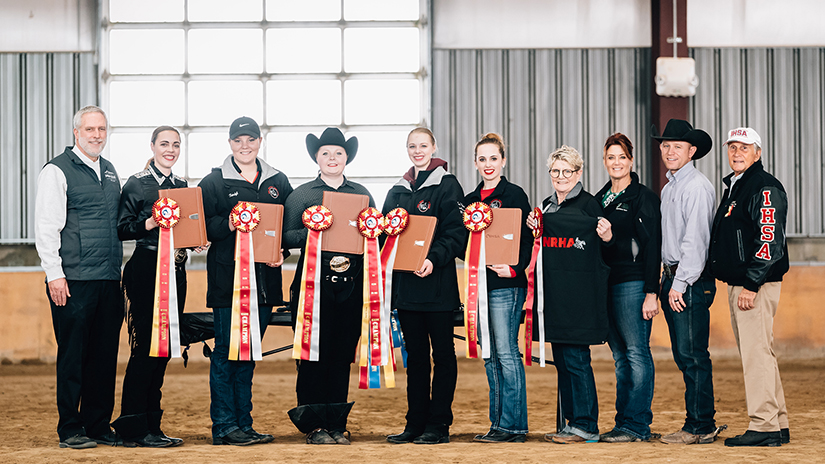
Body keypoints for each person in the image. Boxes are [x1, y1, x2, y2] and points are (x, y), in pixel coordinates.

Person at [199, 116, 293, 446]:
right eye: (238, 140)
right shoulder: (212, 182)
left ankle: (244, 423)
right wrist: (229, 222)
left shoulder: (278, 181)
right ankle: (224, 426)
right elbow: (201, 226)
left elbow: (289, 225)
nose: (245, 145)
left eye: (250, 139)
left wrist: (283, 249)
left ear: (259, 141)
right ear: (230, 144)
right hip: (228, 285)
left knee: (249, 356)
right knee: (226, 354)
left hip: (266, 286)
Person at [34, 105, 123, 449]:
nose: (97, 135)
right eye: (90, 130)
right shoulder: (57, 171)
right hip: (72, 281)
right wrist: (54, 274)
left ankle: (98, 424)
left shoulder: (110, 170)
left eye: (101, 129)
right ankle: (71, 428)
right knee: (73, 357)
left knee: (103, 357)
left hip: (107, 279)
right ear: (76, 132)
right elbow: (46, 227)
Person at [111, 126, 202, 447]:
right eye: (165, 144)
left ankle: (152, 424)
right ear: (152, 146)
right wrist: (149, 222)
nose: (171, 149)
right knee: (145, 349)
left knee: (163, 350)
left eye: (176, 145)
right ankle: (133, 427)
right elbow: (122, 228)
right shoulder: (137, 183)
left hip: (176, 272)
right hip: (146, 270)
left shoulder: (181, 186)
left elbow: (186, 229)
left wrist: (195, 242)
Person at [282, 127, 374, 445]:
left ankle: (336, 422)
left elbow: (374, 238)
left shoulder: (362, 195)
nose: (332, 158)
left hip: (350, 287)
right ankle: (313, 425)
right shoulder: (302, 195)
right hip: (312, 286)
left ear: (346, 158)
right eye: (325, 153)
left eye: (338, 153)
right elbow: (284, 236)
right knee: (311, 356)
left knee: (340, 356)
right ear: (316, 158)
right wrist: (314, 231)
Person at [708, 128, 790, 447]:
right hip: (742, 283)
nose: (737, 153)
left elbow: (769, 240)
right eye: (733, 147)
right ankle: (778, 422)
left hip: (754, 285)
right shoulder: (738, 186)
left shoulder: (764, 187)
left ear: (758, 153)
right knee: (761, 354)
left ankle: (764, 425)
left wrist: (752, 283)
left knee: (756, 355)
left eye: (745, 147)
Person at [384, 128, 465, 445]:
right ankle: (415, 423)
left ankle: (439, 424)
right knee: (415, 358)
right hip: (406, 290)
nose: (417, 151)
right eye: (412, 146)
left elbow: (456, 233)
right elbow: (385, 235)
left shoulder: (448, 185)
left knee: (443, 356)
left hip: (439, 288)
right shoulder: (397, 190)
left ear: (434, 147)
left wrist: (432, 258)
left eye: (423, 145)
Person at [528, 145, 613, 444]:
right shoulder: (545, 208)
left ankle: (587, 425)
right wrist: (532, 228)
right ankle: (571, 423)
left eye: (567, 171)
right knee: (563, 363)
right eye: (555, 171)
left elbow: (606, 251)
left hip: (580, 300)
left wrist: (607, 236)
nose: (561, 177)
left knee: (577, 362)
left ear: (578, 173)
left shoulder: (590, 206)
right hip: (553, 299)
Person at [653, 119, 719, 445]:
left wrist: (679, 284)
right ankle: (699, 421)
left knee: (692, 355)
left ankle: (700, 426)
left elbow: (696, 242)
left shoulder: (696, 188)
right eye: (665, 146)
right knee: (685, 355)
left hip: (688, 279)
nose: (669, 151)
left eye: (677, 146)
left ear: (692, 151)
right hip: (674, 277)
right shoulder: (670, 188)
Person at [463, 133, 532, 443]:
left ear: (503, 161)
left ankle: (514, 425)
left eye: (493, 158)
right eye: (482, 159)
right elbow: (461, 244)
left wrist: (514, 268)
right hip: (480, 286)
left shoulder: (515, 195)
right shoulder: (468, 201)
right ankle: (498, 423)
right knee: (490, 355)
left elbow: (528, 241)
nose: (488, 164)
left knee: (506, 353)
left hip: (507, 284)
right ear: (475, 163)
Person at [594, 133, 661, 443]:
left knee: (636, 353)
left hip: (633, 284)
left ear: (631, 161)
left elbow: (652, 247)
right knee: (620, 356)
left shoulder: (642, 197)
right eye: (611, 157)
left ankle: (637, 424)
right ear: (605, 162)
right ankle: (624, 422)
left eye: (622, 157)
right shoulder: (599, 199)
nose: (616, 162)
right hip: (608, 284)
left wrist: (651, 291)